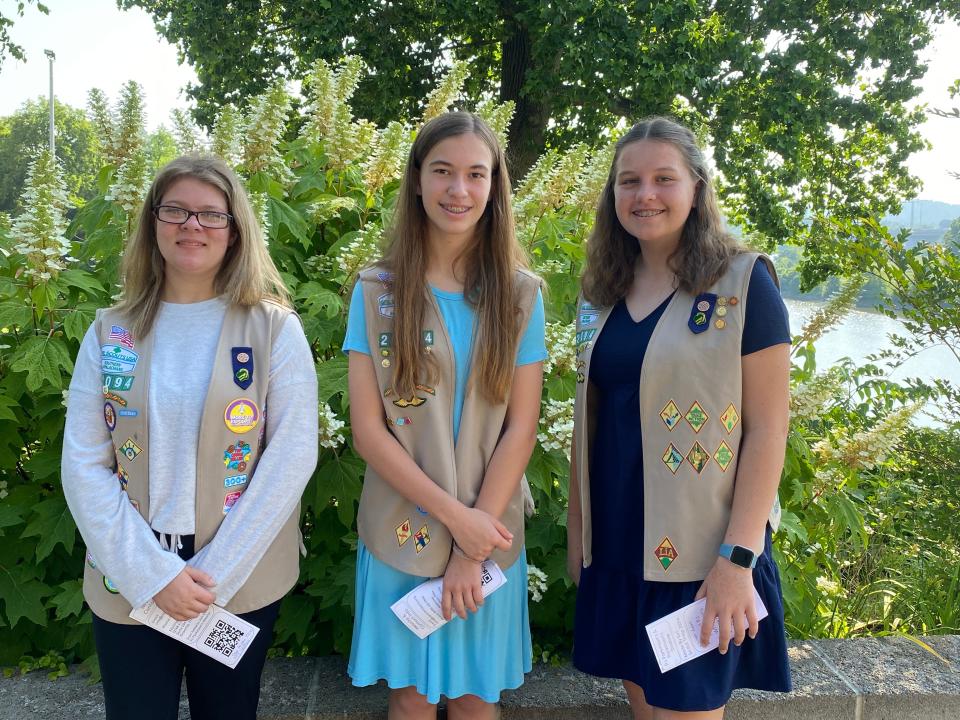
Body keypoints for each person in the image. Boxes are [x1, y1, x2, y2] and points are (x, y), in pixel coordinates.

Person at [62, 155, 318, 720]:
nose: (192, 225)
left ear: (235, 229)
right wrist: (154, 576)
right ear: (153, 223)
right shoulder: (110, 332)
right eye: (175, 209)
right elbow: (83, 465)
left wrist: (210, 578)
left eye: (210, 214)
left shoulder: (273, 328)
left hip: (238, 578)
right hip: (128, 577)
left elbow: (292, 454)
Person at [567, 117, 792, 718]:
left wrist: (737, 559)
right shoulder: (602, 292)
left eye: (664, 179)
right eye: (629, 181)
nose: (645, 195)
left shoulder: (745, 283)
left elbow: (769, 430)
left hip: (698, 554)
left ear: (696, 187)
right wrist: (577, 533)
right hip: (617, 547)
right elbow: (588, 421)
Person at [344, 111, 546, 719]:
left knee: (474, 700)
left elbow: (521, 427)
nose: (459, 190)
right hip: (400, 531)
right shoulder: (377, 292)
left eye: (475, 175)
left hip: (490, 537)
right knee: (408, 700)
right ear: (416, 180)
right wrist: (457, 521)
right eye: (443, 172)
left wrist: (470, 543)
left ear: (494, 186)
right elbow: (369, 431)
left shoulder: (521, 295)